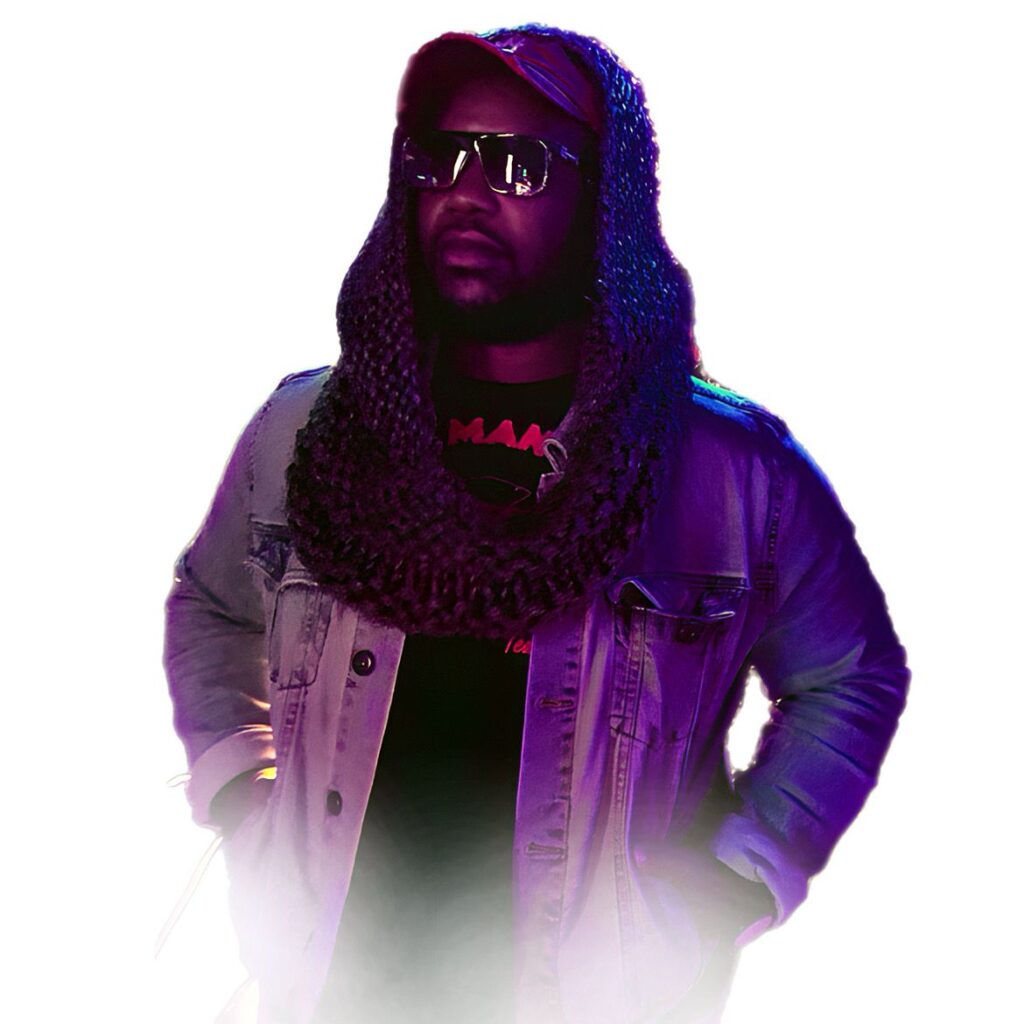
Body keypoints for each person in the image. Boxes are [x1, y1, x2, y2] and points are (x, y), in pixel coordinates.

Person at [163, 24, 910, 1024]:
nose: (466, 191)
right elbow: (210, 606)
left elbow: (850, 677)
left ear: (604, 198)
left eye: (517, 163)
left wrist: (737, 879)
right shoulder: (306, 431)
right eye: (440, 157)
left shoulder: (727, 469)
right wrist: (240, 791)